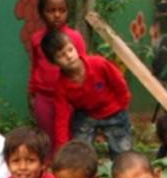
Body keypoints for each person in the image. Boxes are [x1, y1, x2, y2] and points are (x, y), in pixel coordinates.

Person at [41, 30, 132, 158]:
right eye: (61, 55)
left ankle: (124, 170)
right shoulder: (60, 86)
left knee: (122, 152)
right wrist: (62, 147)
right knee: (80, 153)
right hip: (86, 114)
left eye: (70, 50)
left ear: (75, 48)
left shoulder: (98, 64)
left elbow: (119, 83)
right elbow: (61, 117)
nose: (68, 56)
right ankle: (83, 169)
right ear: (54, 62)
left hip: (113, 110)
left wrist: (123, 105)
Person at [29, 0, 87, 151]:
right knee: (47, 140)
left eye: (62, 10)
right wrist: (32, 94)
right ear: (41, 12)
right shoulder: (36, 39)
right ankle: (50, 173)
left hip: (70, 99)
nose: (57, 15)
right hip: (44, 98)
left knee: (70, 138)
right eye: (51, 10)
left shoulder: (74, 37)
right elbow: (35, 67)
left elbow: (83, 67)